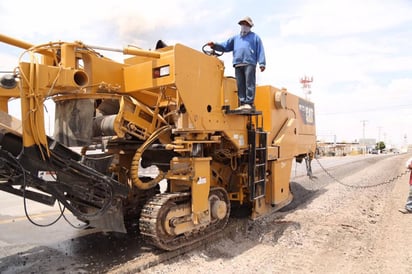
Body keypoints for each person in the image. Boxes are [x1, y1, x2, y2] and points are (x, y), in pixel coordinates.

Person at [208, 16, 266, 111]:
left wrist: (262, 63)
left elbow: (260, 50)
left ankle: (249, 103)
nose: (244, 26)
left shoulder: (255, 37)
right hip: (238, 63)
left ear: (250, 26)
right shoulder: (235, 38)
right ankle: (243, 103)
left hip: (249, 62)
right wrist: (214, 45)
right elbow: (225, 46)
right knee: (240, 84)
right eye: (243, 24)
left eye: (247, 24)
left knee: (249, 83)